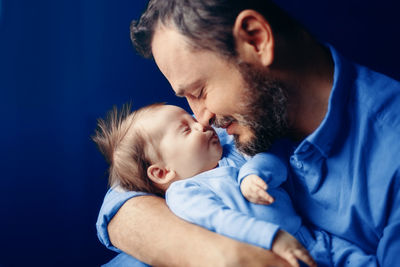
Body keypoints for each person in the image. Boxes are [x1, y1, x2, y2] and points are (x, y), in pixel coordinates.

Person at [97, 0, 400, 266]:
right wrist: (218, 256)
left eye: (200, 90)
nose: (201, 118)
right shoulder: (237, 125)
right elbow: (122, 203)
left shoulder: (391, 155)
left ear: (256, 40)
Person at [94, 103, 374, 267]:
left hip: (308, 235)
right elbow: (221, 220)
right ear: (163, 172)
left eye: (192, 120)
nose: (202, 124)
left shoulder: (231, 150)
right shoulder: (185, 193)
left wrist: (254, 173)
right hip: (267, 248)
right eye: (185, 129)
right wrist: (271, 237)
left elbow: (272, 157)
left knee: (358, 259)